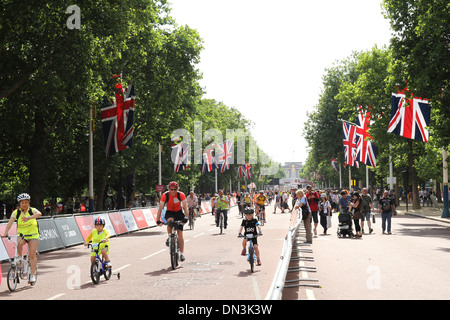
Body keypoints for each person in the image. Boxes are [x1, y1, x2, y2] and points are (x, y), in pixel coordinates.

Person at [2, 193, 42, 285]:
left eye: (26, 202)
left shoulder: (32, 210)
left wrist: (28, 218)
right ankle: (20, 259)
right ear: (19, 203)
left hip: (33, 234)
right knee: (19, 244)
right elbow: (10, 222)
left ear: (29, 203)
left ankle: (32, 275)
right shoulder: (16, 212)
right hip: (22, 234)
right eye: (22, 202)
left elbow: (39, 214)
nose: (24, 204)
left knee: (32, 254)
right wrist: (6, 232)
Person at [156, 181, 189, 261]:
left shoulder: (181, 195)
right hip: (170, 212)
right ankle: (170, 237)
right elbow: (160, 208)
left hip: (179, 212)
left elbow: (185, 206)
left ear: (177, 189)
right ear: (168, 189)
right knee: (169, 222)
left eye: (175, 189)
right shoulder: (165, 195)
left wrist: (186, 217)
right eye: (171, 189)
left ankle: (181, 254)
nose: (173, 191)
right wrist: (158, 220)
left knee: (180, 233)